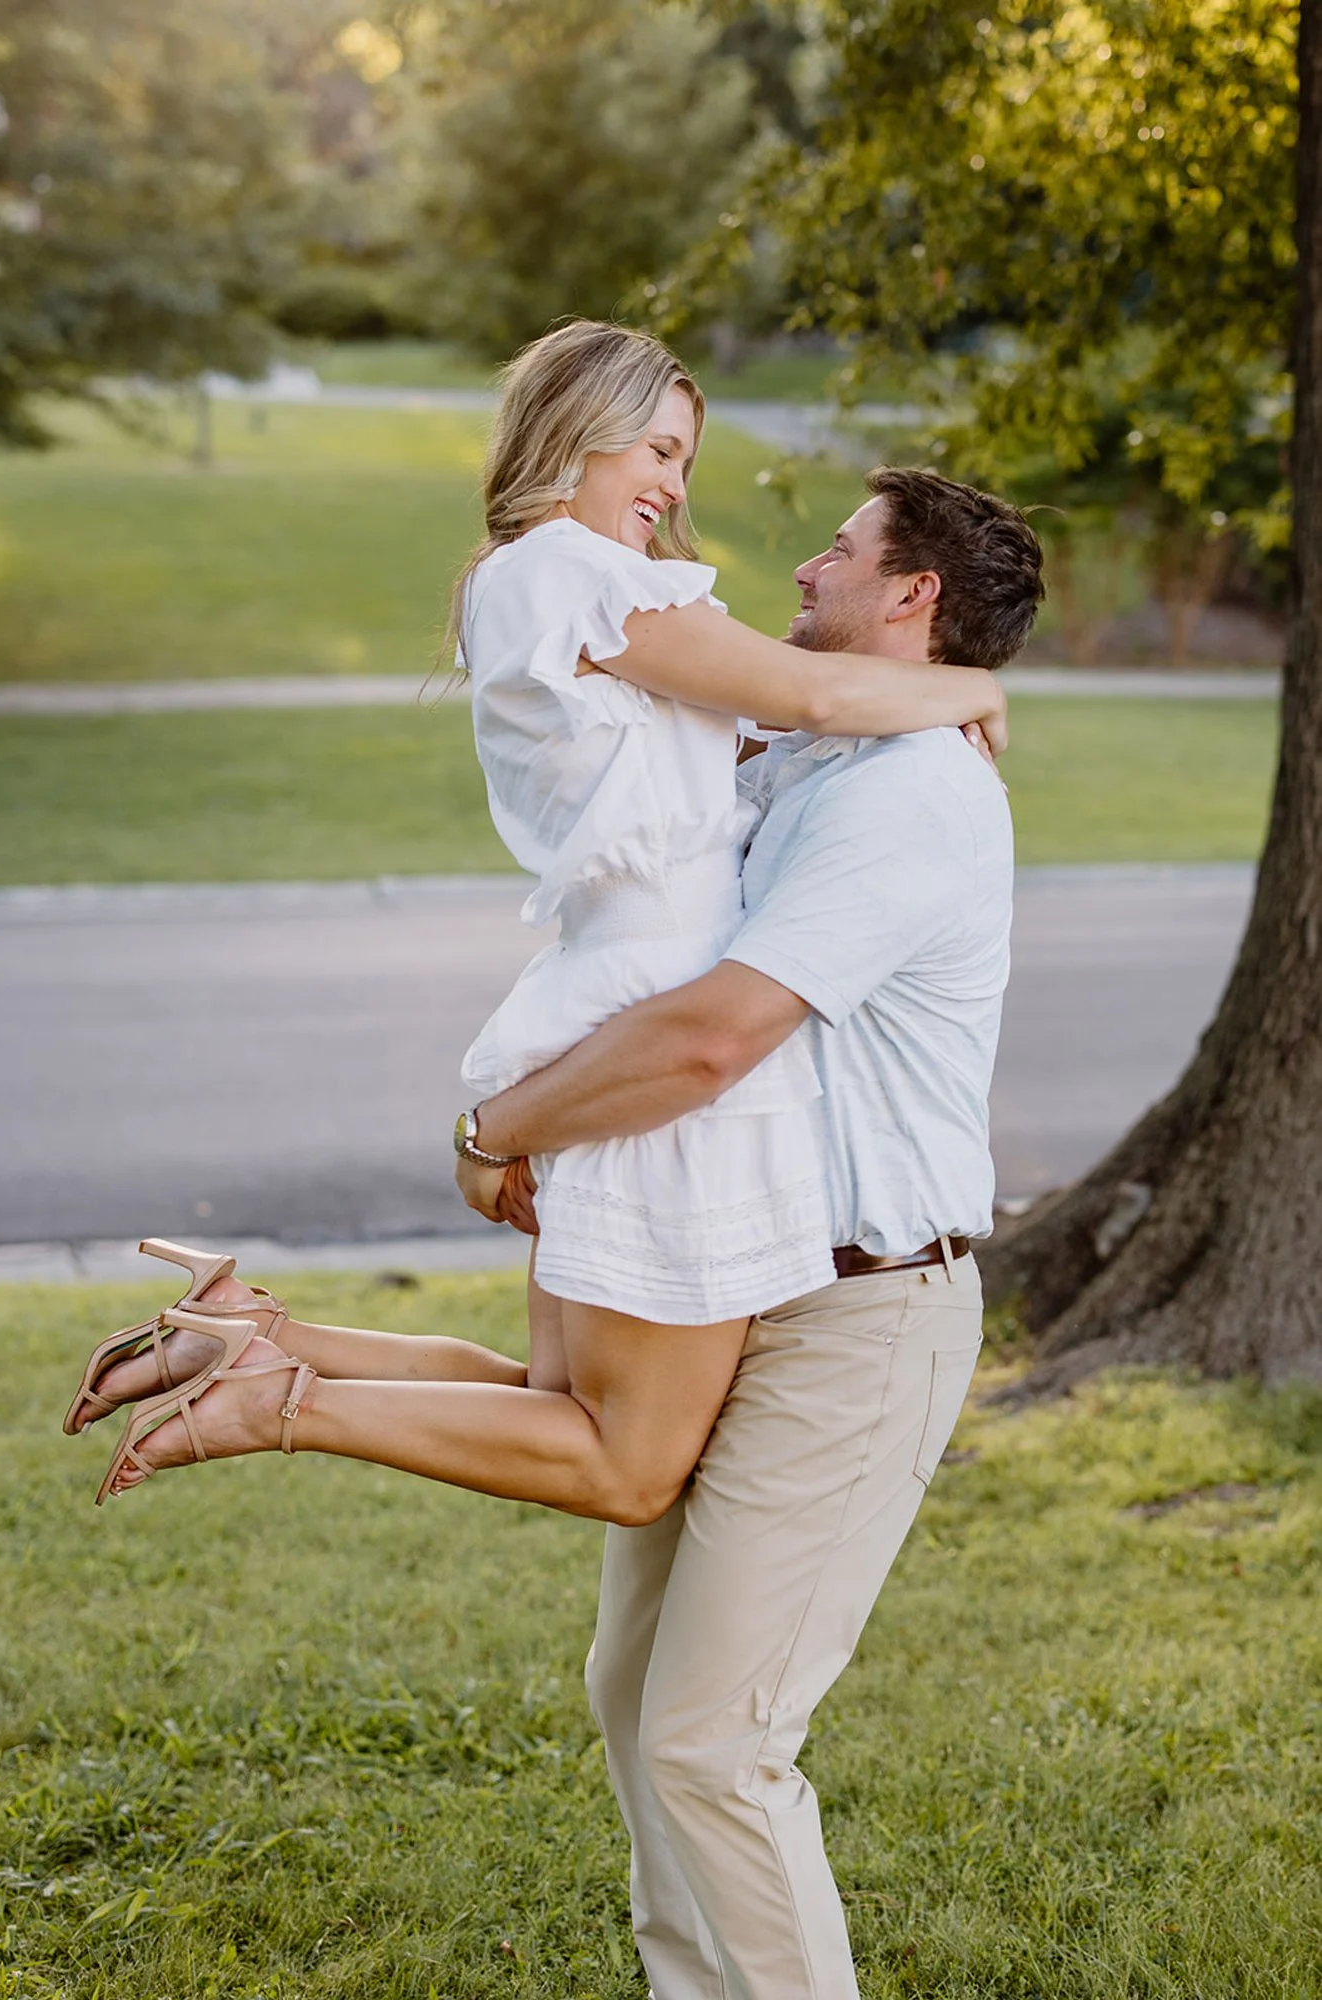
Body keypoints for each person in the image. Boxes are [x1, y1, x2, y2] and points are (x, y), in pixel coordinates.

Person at [63, 321, 1004, 1533]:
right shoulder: (575, 576)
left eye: (682, 460)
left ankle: (257, 1336)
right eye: (657, 450)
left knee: (555, 1399)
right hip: (663, 1018)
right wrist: (977, 686)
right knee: (625, 1463)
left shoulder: (545, 586)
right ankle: (278, 1400)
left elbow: (755, 733)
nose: (673, 487)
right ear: (579, 428)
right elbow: (814, 694)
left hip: (611, 989)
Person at [450, 462, 1045, 1999]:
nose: (801, 566)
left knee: (715, 1741)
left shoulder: (908, 798)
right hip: (733, 1280)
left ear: (910, 592)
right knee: (635, 1693)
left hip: (861, 1311)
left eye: (838, 550)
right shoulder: (813, 760)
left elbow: (712, 1036)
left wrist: (498, 1130)